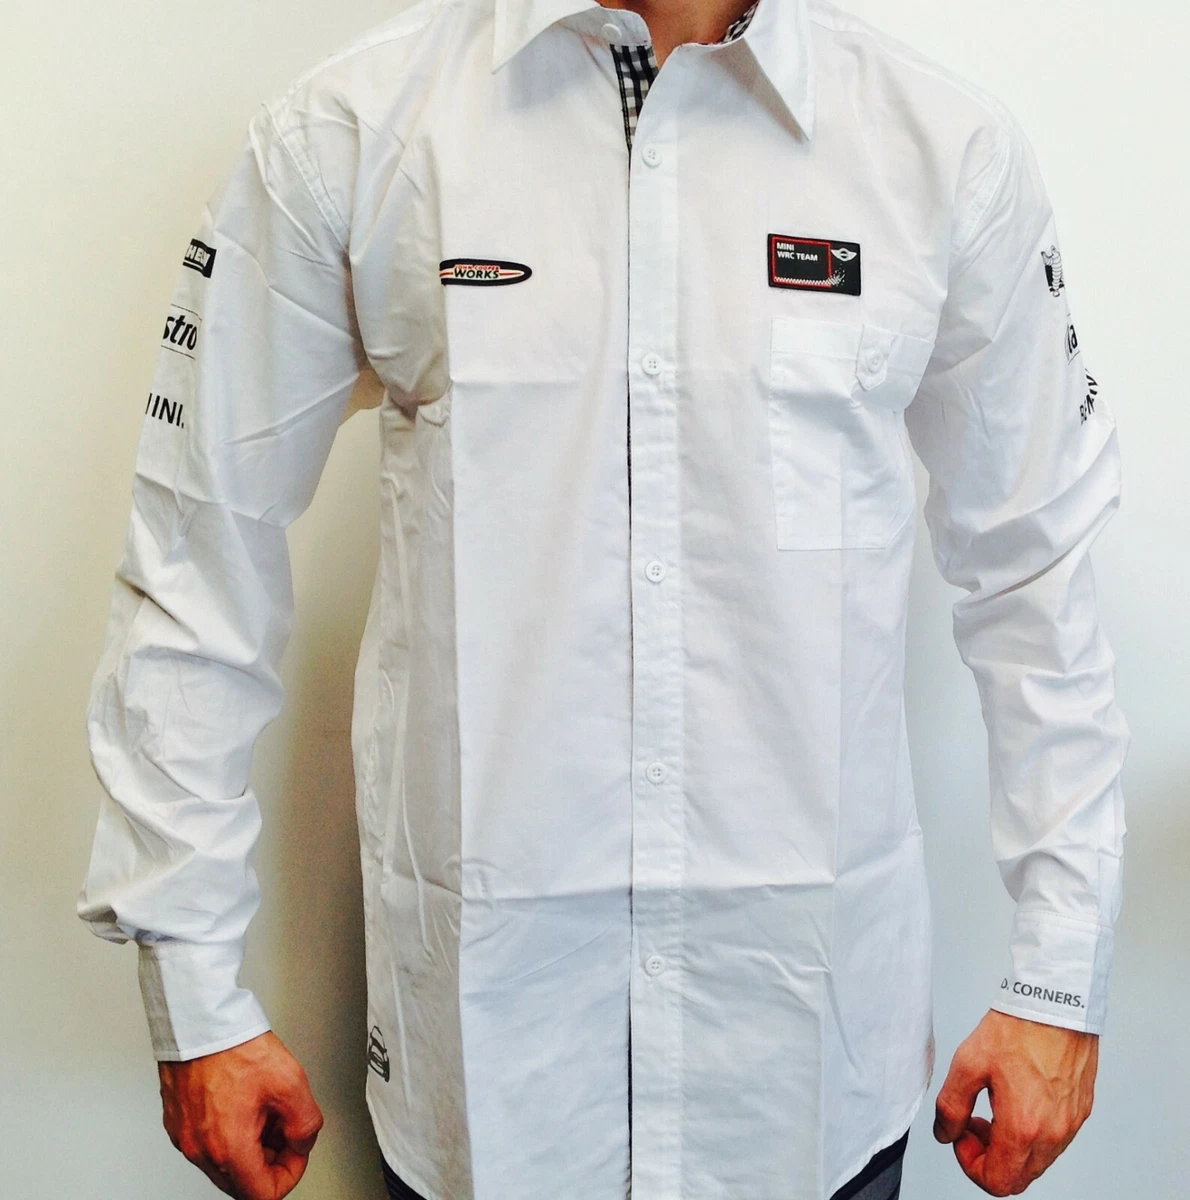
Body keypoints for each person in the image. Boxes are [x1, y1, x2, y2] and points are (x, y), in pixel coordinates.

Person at [77, 0, 1131, 1197]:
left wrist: (1057, 975)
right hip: (491, 1084)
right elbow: (198, 551)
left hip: (806, 1079)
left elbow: (1035, 573)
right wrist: (192, 991)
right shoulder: (351, 133)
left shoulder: (940, 149)